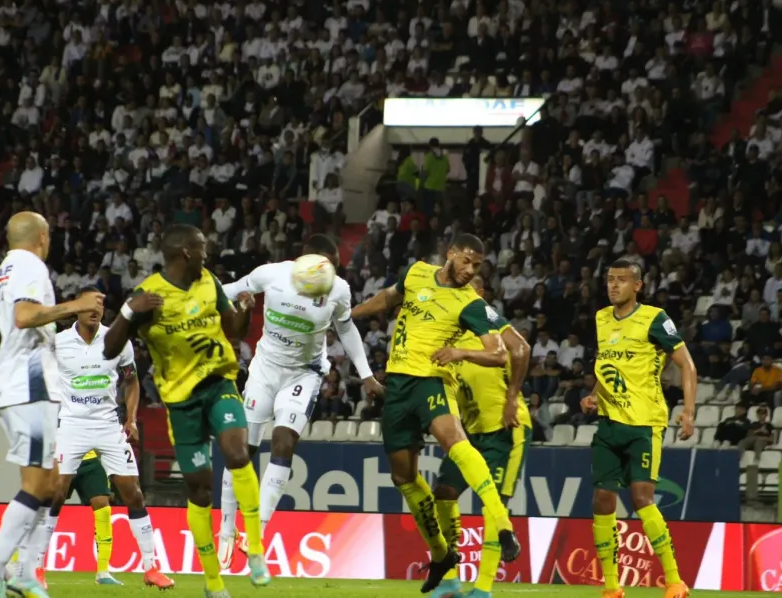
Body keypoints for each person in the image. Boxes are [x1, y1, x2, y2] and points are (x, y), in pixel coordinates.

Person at [102, 223, 270, 598]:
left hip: (219, 384)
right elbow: (109, 350)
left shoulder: (209, 281)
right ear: (187, 253)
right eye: (203, 248)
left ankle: (256, 549)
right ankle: (213, 583)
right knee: (199, 492)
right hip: (181, 402)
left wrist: (243, 308)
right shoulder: (150, 296)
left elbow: (234, 331)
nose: (208, 254)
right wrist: (129, 311)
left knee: (238, 453)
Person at [350, 233, 521, 596]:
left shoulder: (470, 302)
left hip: (432, 382)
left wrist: (460, 353)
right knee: (403, 477)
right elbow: (388, 298)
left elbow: (499, 353)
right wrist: (351, 313)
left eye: (476, 265)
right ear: (451, 254)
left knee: (453, 439)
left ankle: (503, 526)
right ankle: (442, 554)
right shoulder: (416, 274)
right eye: (467, 261)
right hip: (397, 387)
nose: (470, 270)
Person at [216, 234, 383, 568]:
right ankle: (226, 529)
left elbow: (347, 329)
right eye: (327, 262)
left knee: (283, 442)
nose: (331, 270)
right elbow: (228, 289)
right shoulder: (272, 274)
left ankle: (257, 532)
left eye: (335, 265)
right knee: (241, 451)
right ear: (306, 261)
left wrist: (366, 375)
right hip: (265, 372)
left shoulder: (337, 289)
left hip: (303, 375)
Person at [0, 211, 104, 598]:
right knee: (36, 485)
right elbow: (26, 316)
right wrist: (74, 306)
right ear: (43, 237)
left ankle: (26, 572)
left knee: (48, 484)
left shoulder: (2, 275)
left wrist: (0, 377)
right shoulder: (29, 265)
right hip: (30, 389)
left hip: (15, 388)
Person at [33, 286, 173, 589]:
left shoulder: (117, 339)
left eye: (101, 304)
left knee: (133, 493)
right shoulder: (58, 343)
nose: (96, 310)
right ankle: (37, 568)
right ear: (77, 308)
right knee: (56, 492)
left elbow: (132, 381)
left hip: (109, 425)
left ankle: (151, 568)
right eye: (90, 304)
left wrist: (132, 418)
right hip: (71, 424)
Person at [581, 259, 697, 598]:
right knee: (602, 500)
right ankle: (612, 587)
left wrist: (688, 412)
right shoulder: (601, 319)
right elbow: (607, 368)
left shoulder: (655, 319)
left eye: (622, 280)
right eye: (610, 280)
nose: (614, 285)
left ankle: (674, 580)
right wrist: (591, 396)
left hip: (644, 425)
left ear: (638, 285)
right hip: (608, 425)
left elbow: (687, 365)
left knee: (642, 498)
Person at [433, 275, 532, 598]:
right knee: (444, 492)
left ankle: (483, 588)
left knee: (495, 507)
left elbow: (521, 350)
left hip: (506, 430)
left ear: (480, 295)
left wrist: (512, 399)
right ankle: (450, 578)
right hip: (470, 436)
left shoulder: (492, 335)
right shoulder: (451, 337)